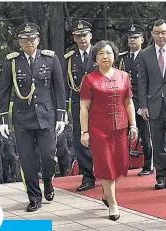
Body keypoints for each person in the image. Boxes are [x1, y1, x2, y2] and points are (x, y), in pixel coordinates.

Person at [0, 22, 66, 212]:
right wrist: (3, 119)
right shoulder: (12, 62)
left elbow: (60, 89)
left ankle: (49, 181)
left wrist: (61, 115)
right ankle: (34, 197)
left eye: (32, 39)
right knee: (27, 160)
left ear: (38, 40)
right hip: (22, 119)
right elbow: (4, 91)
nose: (29, 42)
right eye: (25, 39)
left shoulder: (50, 59)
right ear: (19, 42)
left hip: (46, 115)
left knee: (47, 156)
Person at [80, 40, 138, 221]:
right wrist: (84, 132)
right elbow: (83, 107)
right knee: (105, 165)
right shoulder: (89, 79)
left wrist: (133, 125)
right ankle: (113, 203)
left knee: (120, 165)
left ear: (114, 55)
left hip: (120, 128)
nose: (105, 57)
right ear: (95, 58)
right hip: (99, 129)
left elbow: (128, 102)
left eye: (108, 53)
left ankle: (106, 192)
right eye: (101, 54)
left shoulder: (124, 76)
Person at [136, 19, 166, 189]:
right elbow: (142, 82)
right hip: (153, 104)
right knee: (157, 142)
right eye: (157, 32)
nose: (160, 36)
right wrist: (143, 106)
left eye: (163, 32)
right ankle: (161, 176)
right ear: (152, 33)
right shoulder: (145, 54)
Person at [63, 20, 97, 191]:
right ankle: (88, 177)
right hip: (78, 104)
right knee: (81, 140)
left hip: (99, 104)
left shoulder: (100, 54)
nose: (82, 38)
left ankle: (105, 173)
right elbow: (64, 85)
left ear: (90, 36)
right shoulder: (70, 59)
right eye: (78, 36)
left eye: (85, 35)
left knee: (102, 139)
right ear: (74, 38)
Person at [116, 24, 153, 176]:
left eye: (135, 37)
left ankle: (147, 165)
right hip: (125, 101)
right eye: (130, 37)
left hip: (141, 101)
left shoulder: (147, 56)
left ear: (142, 39)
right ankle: (123, 165)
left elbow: (149, 83)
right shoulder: (122, 58)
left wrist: (143, 104)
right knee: (123, 135)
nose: (132, 40)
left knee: (145, 134)